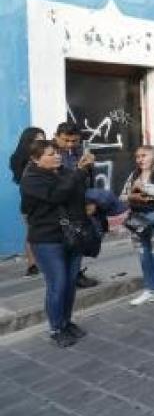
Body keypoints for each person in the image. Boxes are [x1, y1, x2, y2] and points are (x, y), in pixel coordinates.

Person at [20, 140, 93, 347]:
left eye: (57, 153)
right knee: (58, 284)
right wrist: (78, 173)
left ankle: (66, 322)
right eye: (51, 154)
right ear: (36, 159)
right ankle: (55, 328)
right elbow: (57, 195)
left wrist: (85, 169)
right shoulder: (31, 179)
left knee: (70, 283)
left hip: (71, 236)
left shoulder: (63, 172)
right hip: (46, 239)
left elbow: (77, 191)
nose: (57, 156)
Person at [121, 146, 154, 308]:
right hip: (138, 219)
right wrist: (133, 194)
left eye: (144, 155)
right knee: (143, 255)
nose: (140, 159)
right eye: (137, 156)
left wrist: (143, 188)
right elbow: (123, 195)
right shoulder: (134, 174)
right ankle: (150, 289)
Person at [54, 122, 99, 289]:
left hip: (80, 204)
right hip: (61, 205)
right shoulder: (50, 154)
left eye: (74, 141)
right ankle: (63, 277)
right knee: (63, 242)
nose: (70, 144)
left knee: (79, 240)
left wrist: (92, 200)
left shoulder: (81, 152)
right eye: (66, 140)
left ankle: (76, 274)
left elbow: (91, 178)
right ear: (56, 136)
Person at [10, 127, 46, 277]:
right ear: (29, 141)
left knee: (33, 231)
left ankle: (34, 265)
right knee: (34, 231)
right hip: (34, 199)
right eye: (39, 139)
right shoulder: (29, 159)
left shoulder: (20, 158)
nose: (42, 142)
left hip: (31, 199)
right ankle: (33, 264)